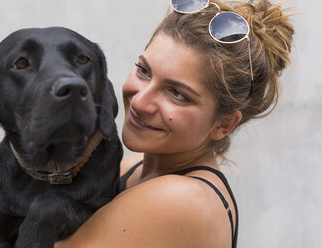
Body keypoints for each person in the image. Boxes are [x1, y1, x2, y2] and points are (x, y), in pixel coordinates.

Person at [55, 0, 294, 247]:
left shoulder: (181, 199)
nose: (139, 102)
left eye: (177, 94)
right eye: (143, 71)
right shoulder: (136, 166)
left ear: (224, 124)